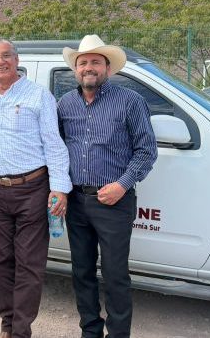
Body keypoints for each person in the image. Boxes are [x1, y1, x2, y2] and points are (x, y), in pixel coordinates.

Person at [58, 34, 158, 338]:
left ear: (108, 68)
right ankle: (90, 331)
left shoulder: (130, 101)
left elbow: (146, 151)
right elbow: (56, 149)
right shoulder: (65, 104)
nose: (88, 67)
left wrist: (122, 185)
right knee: (82, 272)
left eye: (95, 62)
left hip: (114, 202)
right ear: (76, 69)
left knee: (115, 275)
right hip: (76, 201)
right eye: (83, 62)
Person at [0, 40, 72, 338]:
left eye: (6, 55)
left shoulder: (38, 95)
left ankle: (21, 332)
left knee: (29, 264)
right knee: (3, 261)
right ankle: (7, 325)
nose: (1, 61)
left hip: (33, 189)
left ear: (17, 60)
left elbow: (54, 144)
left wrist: (59, 188)